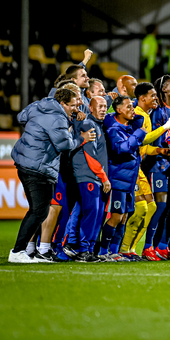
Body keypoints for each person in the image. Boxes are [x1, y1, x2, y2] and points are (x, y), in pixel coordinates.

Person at [8, 88, 96, 263]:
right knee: (39, 211)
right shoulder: (57, 118)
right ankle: (18, 251)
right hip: (38, 166)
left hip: (25, 162)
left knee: (37, 211)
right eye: (72, 105)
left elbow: (21, 117)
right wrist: (83, 138)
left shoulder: (41, 106)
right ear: (62, 103)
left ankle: (24, 250)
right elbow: (64, 145)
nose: (75, 108)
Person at [120, 82, 170, 261]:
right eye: (152, 95)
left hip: (137, 167)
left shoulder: (145, 115)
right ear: (142, 98)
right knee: (139, 209)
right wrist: (165, 127)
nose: (155, 98)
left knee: (152, 207)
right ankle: (122, 248)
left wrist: (161, 150)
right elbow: (144, 139)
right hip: (129, 167)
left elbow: (144, 148)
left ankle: (132, 249)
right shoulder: (137, 115)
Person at [98, 96, 147, 260]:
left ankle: (114, 251)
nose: (132, 110)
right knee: (117, 216)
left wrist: (130, 105)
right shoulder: (114, 130)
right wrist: (139, 134)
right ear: (118, 110)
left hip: (129, 180)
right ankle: (103, 252)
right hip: (118, 179)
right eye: (128, 107)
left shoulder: (128, 127)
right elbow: (122, 149)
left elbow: (139, 119)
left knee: (124, 216)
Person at [70, 96, 111, 262]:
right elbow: (90, 155)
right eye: (99, 106)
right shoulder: (88, 124)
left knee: (98, 213)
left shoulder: (99, 126)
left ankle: (90, 250)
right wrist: (104, 178)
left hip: (97, 178)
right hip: (88, 176)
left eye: (105, 106)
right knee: (91, 212)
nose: (103, 109)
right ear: (90, 108)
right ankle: (82, 249)